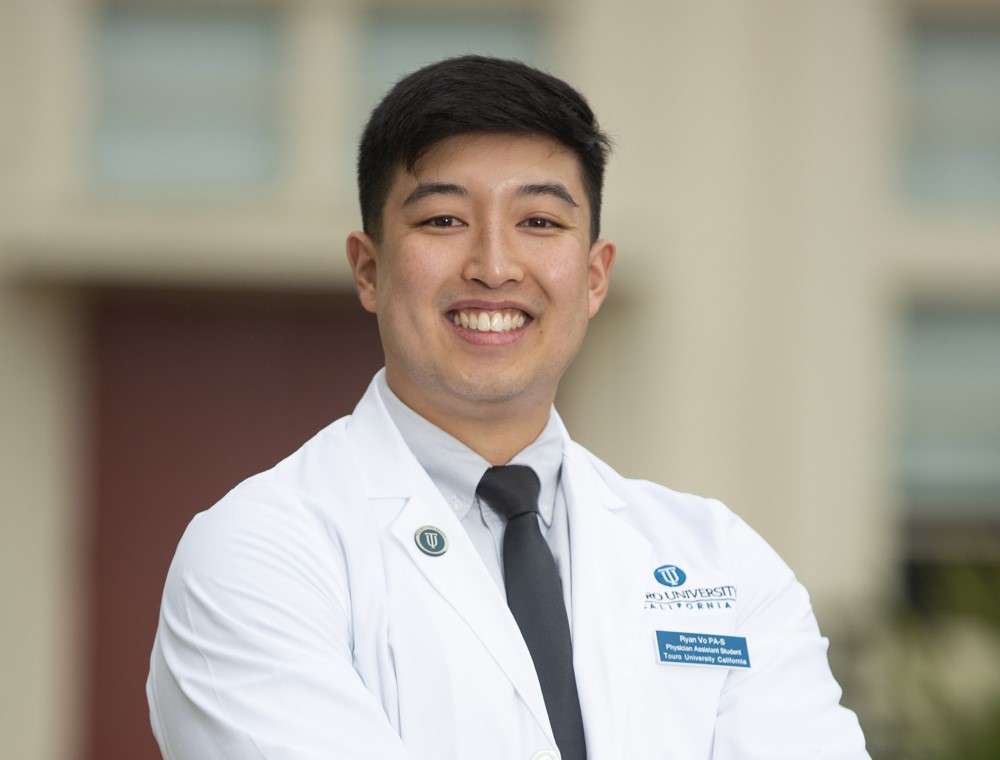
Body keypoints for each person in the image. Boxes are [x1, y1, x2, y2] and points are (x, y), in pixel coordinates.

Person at [146, 55, 869, 759]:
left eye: (541, 223)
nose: (494, 267)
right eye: (443, 220)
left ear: (594, 276)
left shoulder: (718, 562)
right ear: (369, 269)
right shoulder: (257, 553)